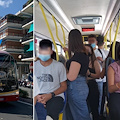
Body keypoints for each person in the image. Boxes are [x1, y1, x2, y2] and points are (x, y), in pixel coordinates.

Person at [34, 39, 67, 120]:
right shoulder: (34, 66)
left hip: (55, 96)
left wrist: (50, 95)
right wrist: (37, 97)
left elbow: (64, 86)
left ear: (51, 52)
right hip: (38, 95)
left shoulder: (59, 66)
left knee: (50, 115)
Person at [64, 29, 91, 120]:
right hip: (82, 85)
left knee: (80, 115)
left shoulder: (77, 57)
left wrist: (63, 71)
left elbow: (71, 77)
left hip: (76, 86)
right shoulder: (83, 54)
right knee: (80, 112)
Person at [88, 34, 103, 113]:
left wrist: (102, 60)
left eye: (92, 41)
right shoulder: (85, 54)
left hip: (99, 80)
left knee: (98, 99)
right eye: (89, 41)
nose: (90, 43)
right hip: (89, 82)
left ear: (96, 42)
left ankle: (98, 114)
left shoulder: (100, 52)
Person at [86, 45, 100, 120]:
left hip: (92, 85)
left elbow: (99, 75)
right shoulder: (80, 62)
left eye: (88, 51)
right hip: (83, 86)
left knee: (94, 108)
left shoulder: (95, 62)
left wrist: (89, 74)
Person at [107, 43, 120, 120]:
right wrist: (118, 85)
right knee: (116, 112)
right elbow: (110, 89)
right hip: (116, 94)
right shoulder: (113, 67)